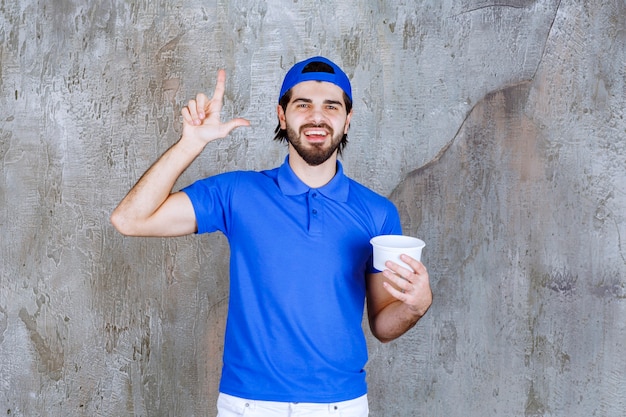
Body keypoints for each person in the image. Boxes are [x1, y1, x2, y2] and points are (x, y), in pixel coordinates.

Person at [111, 56, 432, 417]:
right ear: (282, 115)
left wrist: (415, 306)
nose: (317, 117)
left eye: (331, 106)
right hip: (248, 405)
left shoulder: (378, 212)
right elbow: (130, 220)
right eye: (302, 104)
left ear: (347, 119)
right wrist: (191, 144)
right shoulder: (237, 193)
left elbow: (383, 326)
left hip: (340, 406)